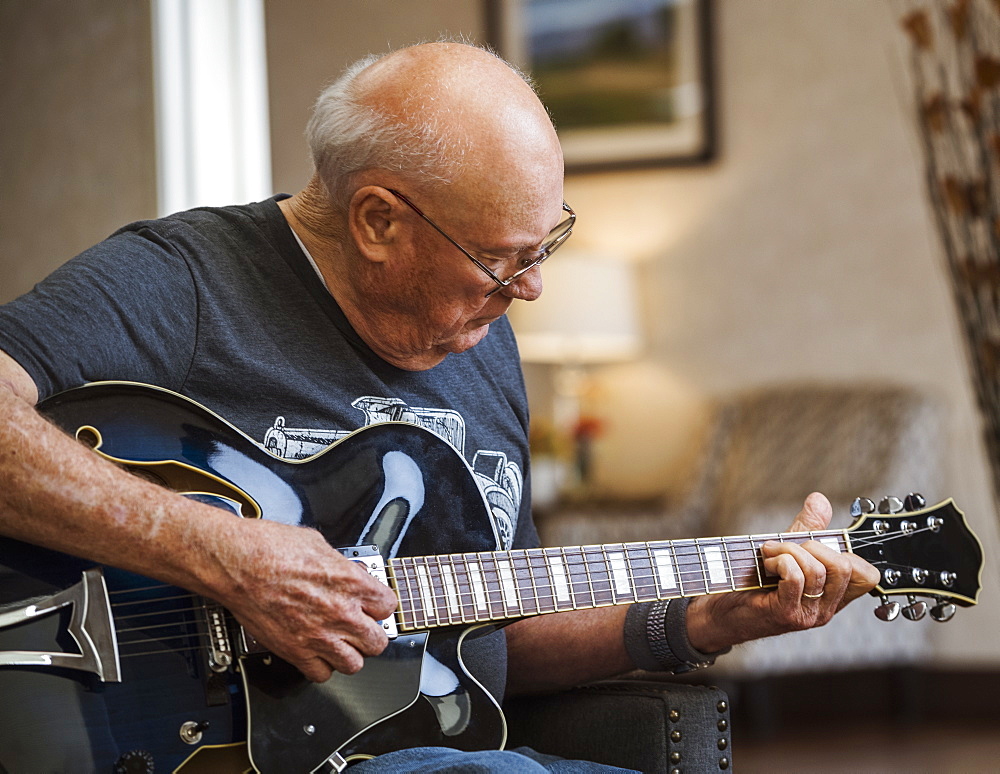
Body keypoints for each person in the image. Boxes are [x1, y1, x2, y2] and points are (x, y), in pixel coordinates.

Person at [0, 41, 879, 772]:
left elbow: (493, 633)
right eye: (505, 259)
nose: (533, 289)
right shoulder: (185, 280)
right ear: (380, 221)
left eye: (550, 243)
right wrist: (224, 554)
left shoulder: (481, 338)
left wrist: (698, 619)